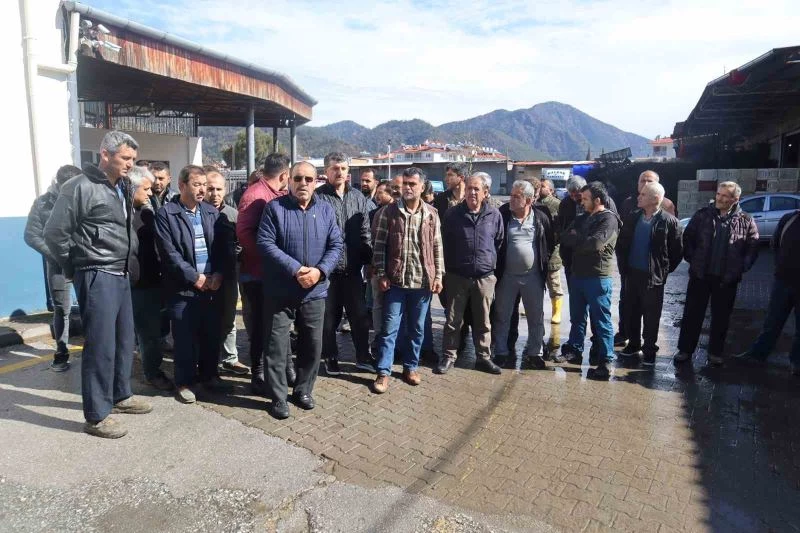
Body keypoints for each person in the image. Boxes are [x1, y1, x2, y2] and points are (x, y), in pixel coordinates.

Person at [44, 131, 152, 439]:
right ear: (105, 154)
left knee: (123, 340)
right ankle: (96, 415)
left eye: (133, 159)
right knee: (100, 346)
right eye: (125, 158)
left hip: (120, 273)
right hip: (96, 272)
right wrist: (75, 266)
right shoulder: (79, 187)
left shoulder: (122, 187)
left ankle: (120, 395)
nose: (130, 164)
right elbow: (54, 234)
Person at [256, 162, 343, 419]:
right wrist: (296, 269)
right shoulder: (274, 208)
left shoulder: (325, 210)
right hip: (280, 291)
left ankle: (303, 390)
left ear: (316, 182)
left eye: (308, 179)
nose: (303, 183)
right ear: (289, 180)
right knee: (276, 346)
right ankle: (278, 397)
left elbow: (336, 244)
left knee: (312, 345)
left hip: (314, 291)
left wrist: (320, 271)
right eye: (298, 178)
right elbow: (265, 243)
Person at [155, 165, 234, 404]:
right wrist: (195, 277)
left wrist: (218, 274)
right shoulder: (167, 214)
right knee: (185, 340)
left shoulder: (211, 212)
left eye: (204, 185)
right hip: (183, 289)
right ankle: (185, 382)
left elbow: (223, 248)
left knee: (211, 336)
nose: (202, 190)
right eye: (197, 184)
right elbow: (169, 254)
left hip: (211, 288)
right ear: (182, 185)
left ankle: (210, 377)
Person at [371, 167, 444, 393]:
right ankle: (383, 372)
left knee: (417, 329)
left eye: (412, 184)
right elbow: (378, 246)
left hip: (422, 283)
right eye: (405, 184)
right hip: (395, 282)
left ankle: (410, 367)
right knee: (389, 329)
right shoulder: (389, 212)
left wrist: (438, 275)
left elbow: (437, 246)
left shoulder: (431, 213)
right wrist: (381, 273)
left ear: (422, 187)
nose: (408, 188)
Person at [674, 181, 759, 366]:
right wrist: (692, 259)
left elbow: (753, 246)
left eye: (724, 196)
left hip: (726, 280)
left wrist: (741, 267)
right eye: (718, 194)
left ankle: (715, 353)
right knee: (692, 315)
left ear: (735, 199)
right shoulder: (702, 215)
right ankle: (685, 350)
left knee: (721, 318)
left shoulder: (746, 220)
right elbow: (687, 238)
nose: (719, 198)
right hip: (700, 276)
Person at [435, 172, 504, 375]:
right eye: (469, 188)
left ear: (485, 192)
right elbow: (444, 244)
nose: (472, 192)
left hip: (484, 278)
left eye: (476, 189)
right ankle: (449, 356)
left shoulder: (494, 215)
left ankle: (483, 357)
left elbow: (498, 242)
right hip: (457, 277)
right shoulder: (452, 214)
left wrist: (487, 263)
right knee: (453, 320)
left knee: (483, 322)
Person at [236, 153, 291, 395]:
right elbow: (245, 234)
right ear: (285, 174)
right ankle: (257, 372)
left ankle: (285, 368)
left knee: (278, 325)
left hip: (274, 274)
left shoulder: (276, 193)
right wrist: (270, 258)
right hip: (257, 274)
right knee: (259, 327)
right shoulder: (255, 195)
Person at [315, 152, 374, 374]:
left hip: (353, 271)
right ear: (326, 172)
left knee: (359, 316)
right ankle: (330, 357)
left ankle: (363, 356)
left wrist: (369, 261)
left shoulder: (358, 198)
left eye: (343, 168)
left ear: (348, 171)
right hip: (327, 272)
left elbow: (365, 232)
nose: (339, 172)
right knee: (329, 318)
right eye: (334, 168)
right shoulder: (318, 198)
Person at [615, 182, 682, 366]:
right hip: (631, 274)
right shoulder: (633, 217)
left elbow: (676, 251)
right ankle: (633, 344)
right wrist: (623, 267)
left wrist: (663, 270)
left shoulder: (669, 222)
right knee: (631, 311)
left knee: (651, 316)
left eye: (643, 195)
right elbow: (622, 243)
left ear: (655, 199)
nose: (639, 197)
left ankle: (649, 349)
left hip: (653, 278)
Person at [560, 182, 622, 379]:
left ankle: (606, 360)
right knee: (577, 318)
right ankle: (574, 350)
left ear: (597, 200)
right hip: (577, 275)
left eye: (585, 199)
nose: (582, 202)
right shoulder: (582, 218)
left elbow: (595, 244)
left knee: (601, 320)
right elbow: (565, 238)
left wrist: (578, 238)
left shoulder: (609, 219)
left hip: (597, 277)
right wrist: (581, 239)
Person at [24, 164, 82, 371]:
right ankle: (61, 353)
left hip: (84, 263)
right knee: (61, 310)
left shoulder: (84, 197)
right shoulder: (43, 203)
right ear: (58, 184)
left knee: (91, 307)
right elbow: (31, 235)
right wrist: (57, 255)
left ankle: (94, 350)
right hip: (58, 266)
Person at [492, 180, 555, 370]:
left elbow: (550, 242)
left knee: (536, 317)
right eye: (511, 195)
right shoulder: (503, 214)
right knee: (502, 316)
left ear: (528, 200)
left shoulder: (541, 216)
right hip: (507, 276)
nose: (511, 199)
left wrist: (542, 262)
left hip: (533, 277)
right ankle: (501, 352)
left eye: (516, 196)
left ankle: (535, 353)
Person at [735, 207, 800, 376]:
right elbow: (775, 244)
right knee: (772, 321)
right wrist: (780, 267)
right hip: (783, 281)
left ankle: (797, 362)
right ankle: (757, 354)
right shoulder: (789, 219)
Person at [127, 166, 174, 391]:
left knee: (155, 331)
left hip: (156, 279)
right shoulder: (122, 214)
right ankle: (152, 373)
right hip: (138, 284)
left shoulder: (147, 211)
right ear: (131, 188)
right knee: (148, 333)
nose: (149, 193)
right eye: (145, 189)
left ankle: (152, 365)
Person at [205, 167, 250, 375]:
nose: (215, 194)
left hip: (229, 274)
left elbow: (241, 242)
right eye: (210, 189)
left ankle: (230, 358)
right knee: (206, 319)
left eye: (219, 189)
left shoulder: (233, 215)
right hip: (204, 275)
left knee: (229, 317)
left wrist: (233, 254)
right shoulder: (197, 213)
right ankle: (207, 360)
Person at [537, 179, 564, 324]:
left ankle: (556, 311)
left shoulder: (557, 204)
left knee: (554, 282)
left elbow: (561, 227)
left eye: (543, 186)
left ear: (551, 190)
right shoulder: (535, 202)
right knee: (536, 283)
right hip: (537, 249)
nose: (540, 188)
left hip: (552, 250)